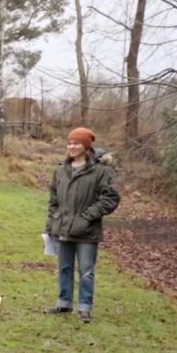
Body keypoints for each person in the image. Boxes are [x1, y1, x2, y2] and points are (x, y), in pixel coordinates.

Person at [44, 127, 121, 323]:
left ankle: (85, 307)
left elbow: (110, 198)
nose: (72, 146)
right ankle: (64, 303)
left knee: (86, 271)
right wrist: (52, 223)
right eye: (69, 143)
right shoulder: (61, 170)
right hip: (62, 229)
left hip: (87, 232)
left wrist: (86, 217)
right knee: (64, 268)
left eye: (76, 143)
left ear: (86, 146)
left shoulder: (101, 172)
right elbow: (53, 201)